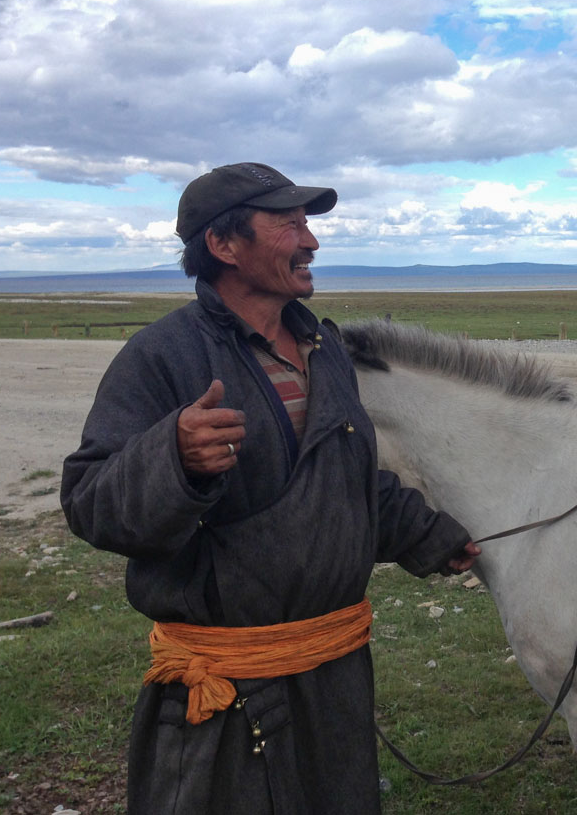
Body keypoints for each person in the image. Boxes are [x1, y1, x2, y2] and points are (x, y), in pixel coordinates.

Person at [61, 162, 480, 814]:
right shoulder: (161, 356)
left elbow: (345, 476)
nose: (311, 241)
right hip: (226, 683)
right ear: (223, 246)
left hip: (332, 673)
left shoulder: (323, 347)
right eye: (288, 223)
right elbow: (90, 503)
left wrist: (431, 537)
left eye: (308, 223)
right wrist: (173, 458)